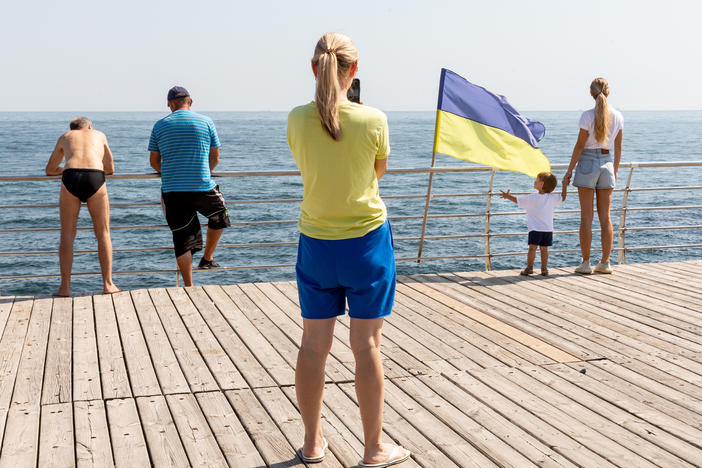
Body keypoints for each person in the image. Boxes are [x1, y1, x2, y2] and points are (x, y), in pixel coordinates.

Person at [287, 33, 411, 467]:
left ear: (314, 68)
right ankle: (375, 448)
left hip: (317, 242)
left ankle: (312, 443)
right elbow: (377, 173)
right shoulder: (373, 119)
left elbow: (309, 166)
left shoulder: (296, 119)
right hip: (365, 243)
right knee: (367, 346)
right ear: (352, 71)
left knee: (313, 345)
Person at [148, 86, 230, 286]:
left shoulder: (159, 126)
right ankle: (207, 259)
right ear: (190, 102)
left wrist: (169, 172)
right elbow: (215, 156)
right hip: (202, 186)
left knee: (182, 238)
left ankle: (189, 286)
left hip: (173, 190)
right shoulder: (206, 122)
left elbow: (154, 162)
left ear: (169, 104)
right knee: (220, 215)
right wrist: (203, 171)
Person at [45, 117, 120, 297]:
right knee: (103, 233)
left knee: (67, 234)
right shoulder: (99, 135)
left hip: (71, 176)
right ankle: (108, 285)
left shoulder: (65, 136)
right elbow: (110, 169)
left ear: (72, 129)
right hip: (95, 176)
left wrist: (67, 169)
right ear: (90, 127)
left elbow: (50, 169)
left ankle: (64, 288)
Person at [562, 78, 623, 274]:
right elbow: (618, 147)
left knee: (586, 217)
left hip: (587, 163)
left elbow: (580, 146)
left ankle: (586, 263)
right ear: (608, 92)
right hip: (607, 163)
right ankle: (605, 263)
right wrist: (615, 170)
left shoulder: (587, 116)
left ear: (591, 94)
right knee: (605, 218)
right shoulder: (618, 116)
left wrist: (569, 170)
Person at [501, 172, 567, 276]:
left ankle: (529, 268)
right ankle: (544, 269)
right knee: (544, 249)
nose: (534, 181)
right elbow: (563, 197)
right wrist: (564, 186)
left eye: (537, 179)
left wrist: (507, 196)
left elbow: (517, 200)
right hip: (547, 229)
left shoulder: (531, 198)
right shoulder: (552, 198)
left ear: (541, 184)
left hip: (535, 229)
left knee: (532, 248)